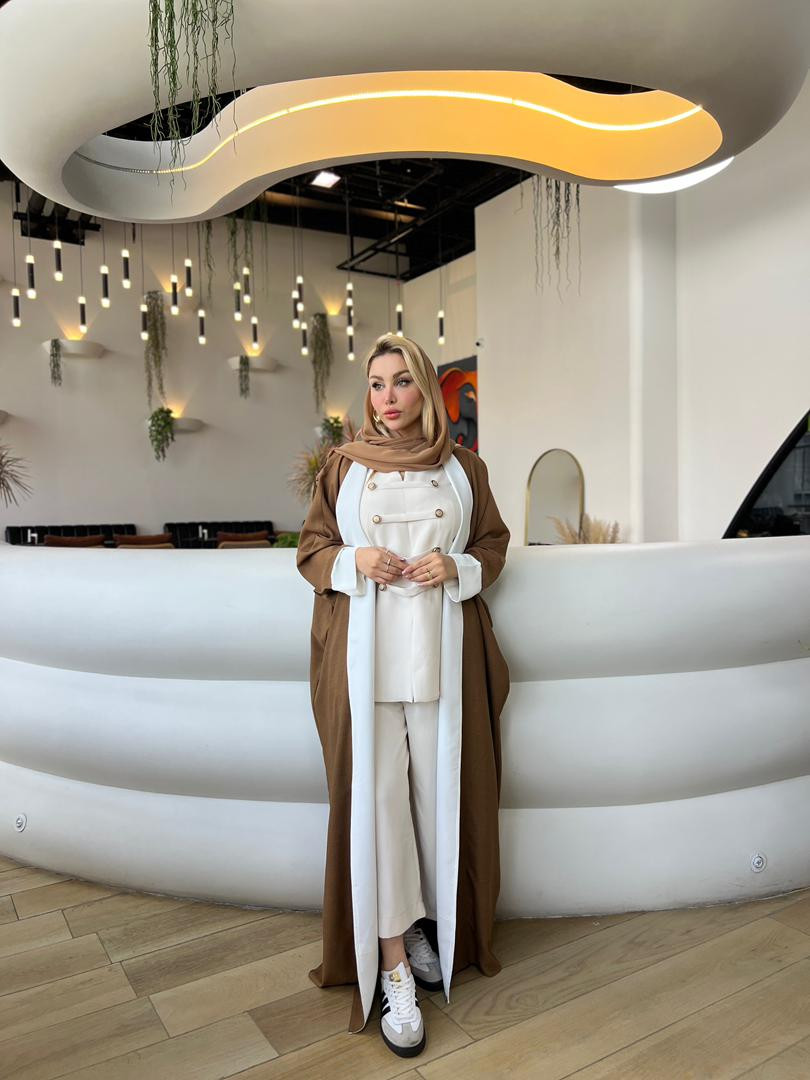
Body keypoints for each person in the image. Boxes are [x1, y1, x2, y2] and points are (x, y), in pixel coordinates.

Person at [295, 332, 511, 1057]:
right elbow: (311, 552)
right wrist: (356, 557)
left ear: (425, 389)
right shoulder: (344, 468)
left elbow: (493, 546)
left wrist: (457, 569)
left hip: (443, 656)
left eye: (401, 382)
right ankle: (392, 963)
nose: (387, 398)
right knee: (380, 807)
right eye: (376, 384)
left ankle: (428, 927)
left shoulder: (465, 469)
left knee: (440, 799)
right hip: (368, 661)